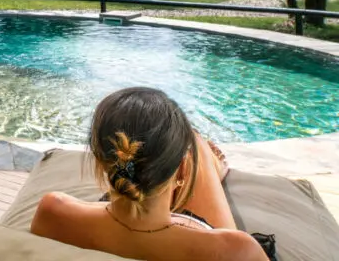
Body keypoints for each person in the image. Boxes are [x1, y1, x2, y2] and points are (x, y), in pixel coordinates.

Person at [30, 87, 274, 261]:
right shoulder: (236, 250)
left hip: (114, 218)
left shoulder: (53, 211)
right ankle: (201, 167)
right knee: (196, 142)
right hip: (191, 237)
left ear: (100, 161)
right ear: (182, 168)